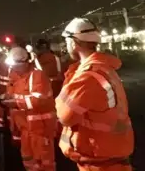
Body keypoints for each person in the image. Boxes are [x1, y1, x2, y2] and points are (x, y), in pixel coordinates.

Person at [57, 18, 134, 171]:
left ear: (74, 43)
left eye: (66, 41)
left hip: (100, 162)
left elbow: (64, 115)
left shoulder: (88, 77)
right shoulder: (103, 69)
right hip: (111, 156)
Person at [2, 46, 57, 171]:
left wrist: (16, 103)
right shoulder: (15, 77)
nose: (12, 68)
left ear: (24, 63)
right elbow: (13, 95)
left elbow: (39, 100)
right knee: (29, 162)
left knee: (45, 163)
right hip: (25, 130)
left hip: (40, 130)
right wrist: (7, 98)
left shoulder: (37, 76)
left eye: (14, 65)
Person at [0, 43, 22, 145]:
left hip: (8, 92)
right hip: (11, 92)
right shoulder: (7, 63)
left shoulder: (3, 63)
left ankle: (3, 126)